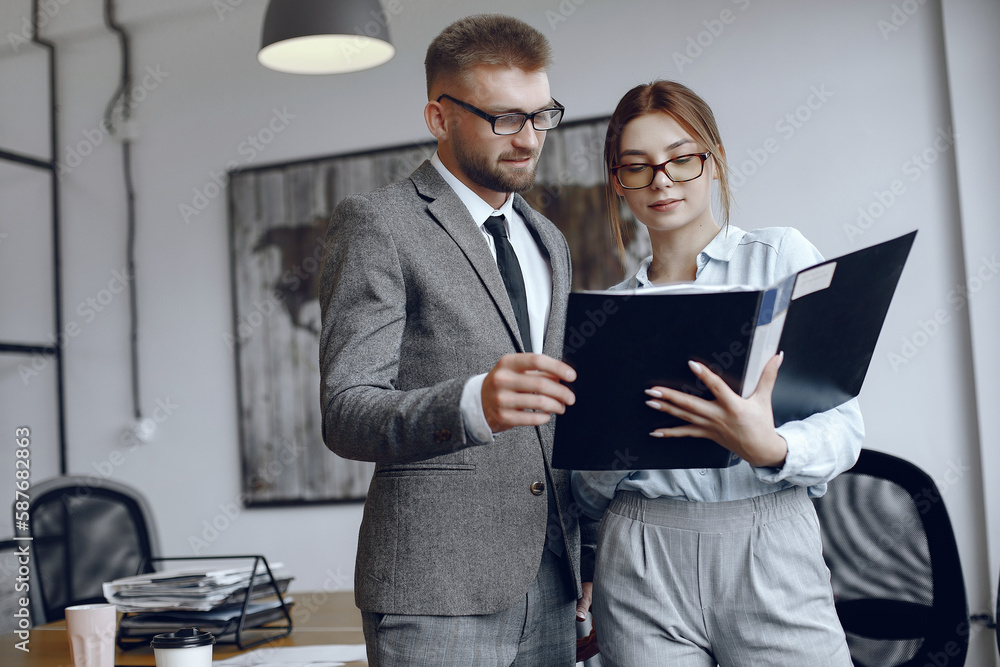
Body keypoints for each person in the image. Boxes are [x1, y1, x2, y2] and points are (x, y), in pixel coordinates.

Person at [318, 14, 593, 667]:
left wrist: (591, 553)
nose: (528, 139)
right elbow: (345, 410)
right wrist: (474, 403)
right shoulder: (378, 224)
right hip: (433, 590)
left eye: (541, 115)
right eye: (504, 118)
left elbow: (558, 421)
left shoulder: (549, 240)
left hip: (553, 581)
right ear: (440, 118)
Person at [571, 80, 863, 666]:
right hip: (640, 554)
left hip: (768, 542)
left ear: (714, 160)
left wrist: (770, 445)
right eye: (638, 167)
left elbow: (846, 428)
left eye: (681, 159)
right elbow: (584, 489)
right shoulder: (605, 313)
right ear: (617, 181)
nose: (662, 181)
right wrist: (617, 444)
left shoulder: (778, 259)